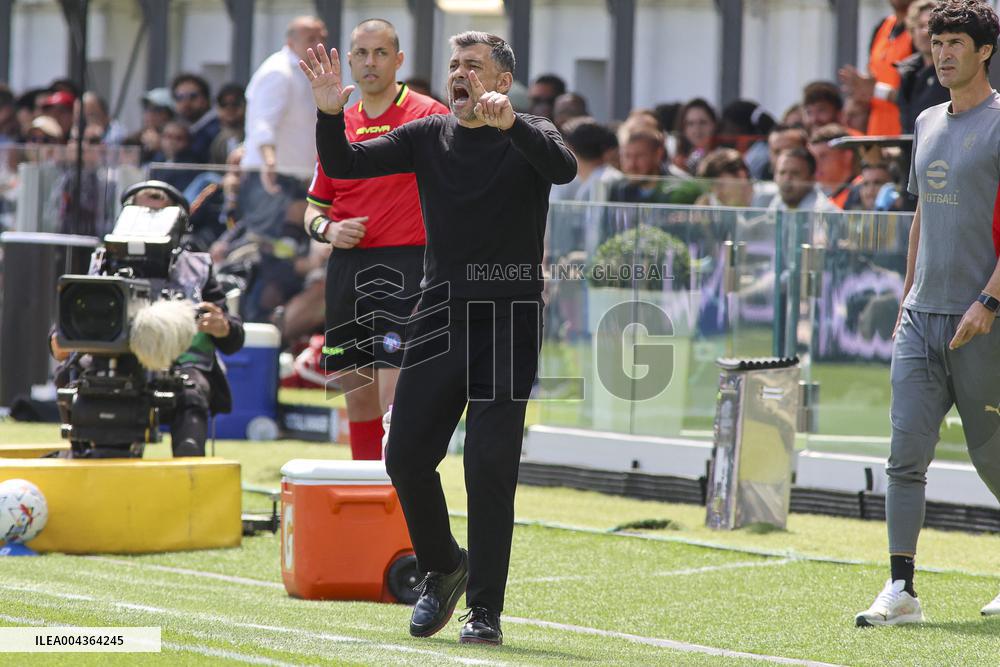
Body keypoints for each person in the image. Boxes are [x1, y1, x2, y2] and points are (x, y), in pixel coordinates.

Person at [300, 30, 576, 645]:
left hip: (508, 321)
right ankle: (443, 567)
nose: (458, 73)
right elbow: (345, 163)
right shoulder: (427, 135)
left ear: (502, 80)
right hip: (439, 314)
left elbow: (564, 168)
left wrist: (514, 127)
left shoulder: (530, 134)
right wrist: (327, 112)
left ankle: (485, 610)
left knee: (489, 466)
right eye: (454, 64)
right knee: (404, 456)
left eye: (472, 66)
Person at [855, 0, 1000, 626]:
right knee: (903, 456)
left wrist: (990, 301)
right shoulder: (925, 120)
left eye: (955, 43)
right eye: (936, 41)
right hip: (921, 318)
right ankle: (901, 589)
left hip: (984, 320)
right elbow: (921, 214)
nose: (941, 53)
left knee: (992, 458)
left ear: (984, 51)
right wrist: (908, 292)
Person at [303, 18, 447, 460]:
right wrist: (328, 230)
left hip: (407, 267)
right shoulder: (337, 123)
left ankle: (399, 498)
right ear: (348, 60)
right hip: (347, 269)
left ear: (398, 60)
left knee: (393, 396)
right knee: (356, 393)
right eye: (361, 54)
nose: (370, 63)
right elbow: (314, 208)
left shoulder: (428, 115)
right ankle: (366, 488)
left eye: (381, 53)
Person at [51, 180, 245, 458]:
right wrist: (57, 340)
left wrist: (222, 326)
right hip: (109, 358)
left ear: (179, 219)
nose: (150, 208)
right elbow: (66, 321)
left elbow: (234, 338)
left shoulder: (197, 267)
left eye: (160, 204)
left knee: (193, 390)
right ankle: (85, 455)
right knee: (79, 380)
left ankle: (189, 472)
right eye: (141, 204)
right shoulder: (103, 263)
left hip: (179, 362)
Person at [840, 0, 915, 136]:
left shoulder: (923, 32)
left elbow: (923, 94)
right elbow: (872, 76)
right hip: (878, 135)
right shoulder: (883, 27)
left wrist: (876, 91)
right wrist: (859, 95)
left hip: (908, 137)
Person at [897, 0, 950, 132]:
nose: (925, 32)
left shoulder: (954, 71)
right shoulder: (908, 74)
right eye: (920, 26)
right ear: (911, 32)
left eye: (931, 26)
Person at [171, 73, 220, 163]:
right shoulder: (184, 128)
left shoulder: (216, 129)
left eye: (192, 96)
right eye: (179, 97)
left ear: (205, 99)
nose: (186, 102)